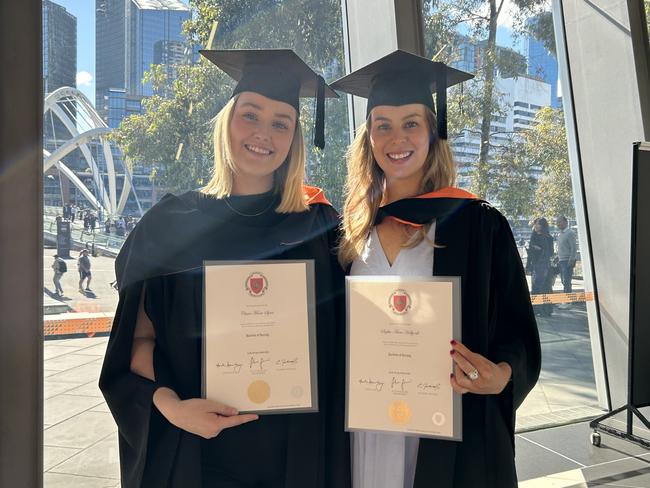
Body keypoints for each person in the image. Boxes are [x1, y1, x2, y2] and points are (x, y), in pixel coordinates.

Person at [99, 49, 350, 488]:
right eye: (250, 115)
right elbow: (138, 340)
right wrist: (173, 407)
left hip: (298, 454)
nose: (263, 134)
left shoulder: (322, 229)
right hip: (197, 452)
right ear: (227, 121)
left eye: (280, 123)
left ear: (294, 138)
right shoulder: (170, 224)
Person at [331, 50, 541, 488]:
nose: (396, 138)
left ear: (433, 132)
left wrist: (501, 375)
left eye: (411, 123)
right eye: (382, 125)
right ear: (368, 138)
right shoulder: (348, 232)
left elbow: (517, 332)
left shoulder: (478, 226)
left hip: (442, 430)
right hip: (363, 429)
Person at [527, 217, 554, 316]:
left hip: (545, 266)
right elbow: (530, 254)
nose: (536, 225)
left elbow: (551, 252)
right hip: (535, 266)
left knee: (545, 288)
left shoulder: (548, 237)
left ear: (543, 225)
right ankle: (536, 310)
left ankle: (546, 310)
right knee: (535, 289)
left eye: (538, 223)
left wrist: (540, 249)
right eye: (535, 224)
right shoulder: (533, 237)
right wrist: (527, 267)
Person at [556, 216, 577, 305]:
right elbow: (560, 248)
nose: (558, 224)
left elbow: (573, 247)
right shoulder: (560, 234)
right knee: (564, 281)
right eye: (557, 222)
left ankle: (568, 302)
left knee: (567, 281)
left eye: (559, 222)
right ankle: (567, 300)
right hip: (561, 260)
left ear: (565, 222)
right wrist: (557, 257)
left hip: (567, 260)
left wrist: (571, 260)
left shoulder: (570, 233)